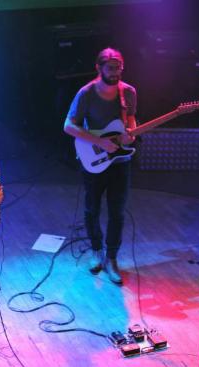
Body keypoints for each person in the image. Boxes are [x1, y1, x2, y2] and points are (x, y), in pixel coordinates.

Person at [63, 47, 137, 285]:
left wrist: (130, 135)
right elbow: (68, 126)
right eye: (110, 68)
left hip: (120, 162)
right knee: (92, 209)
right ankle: (97, 251)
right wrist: (100, 142)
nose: (115, 73)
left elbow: (131, 123)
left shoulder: (129, 93)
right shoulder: (86, 93)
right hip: (93, 159)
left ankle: (111, 258)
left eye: (119, 68)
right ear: (99, 68)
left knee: (117, 212)